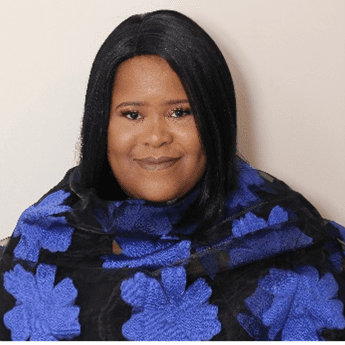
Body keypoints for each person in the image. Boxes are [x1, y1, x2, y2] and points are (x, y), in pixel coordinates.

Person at [0, 9, 344, 341]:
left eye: (180, 112)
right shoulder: (41, 241)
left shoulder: (288, 240)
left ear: (215, 120)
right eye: (132, 115)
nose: (156, 136)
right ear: (100, 125)